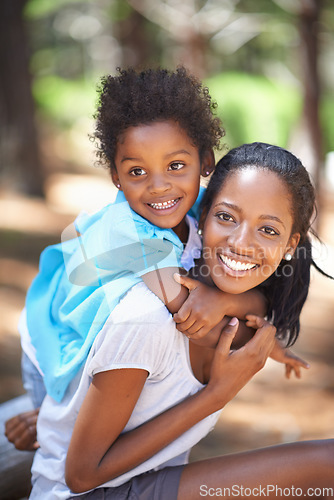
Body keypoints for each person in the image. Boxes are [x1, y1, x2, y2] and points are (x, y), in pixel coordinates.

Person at [28, 143, 334, 499]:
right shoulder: (145, 317)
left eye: (268, 230)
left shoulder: (240, 315)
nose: (241, 243)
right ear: (202, 215)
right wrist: (216, 394)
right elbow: (81, 476)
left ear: (290, 245)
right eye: (226, 217)